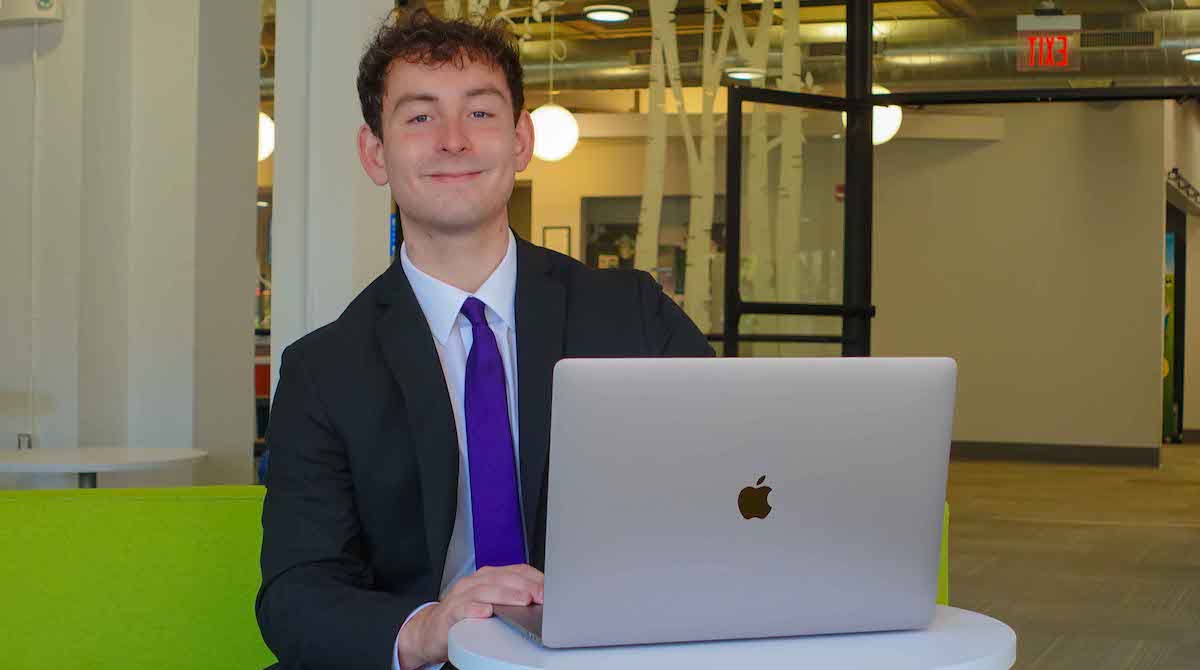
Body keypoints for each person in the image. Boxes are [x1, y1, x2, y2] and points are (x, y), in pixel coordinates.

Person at [255, 9, 714, 670]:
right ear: (375, 153)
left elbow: (729, 480)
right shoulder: (323, 370)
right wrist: (427, 628)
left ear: (520, 140)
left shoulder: (632, 315)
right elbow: (297, 594)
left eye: (480, 113)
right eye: (419, 117)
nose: (452, 141)